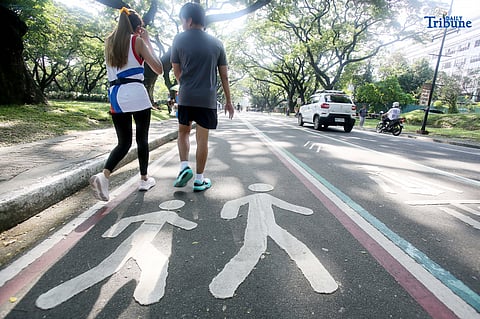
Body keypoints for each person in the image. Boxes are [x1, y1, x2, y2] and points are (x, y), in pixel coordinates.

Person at [89, 7, 164, 201]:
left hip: (116, 96)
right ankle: (144, 178)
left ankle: (104, 175)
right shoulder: (137, 41)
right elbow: (159, 68)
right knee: (141, 140)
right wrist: (147, 41)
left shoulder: (109, 43)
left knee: (124, 142)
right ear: (138, 27)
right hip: (136, 93)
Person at [170, 3, 234, 192]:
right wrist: (229, 102)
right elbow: (224, 76)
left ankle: (183, 167)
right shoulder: (217, 44)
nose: (182, 24)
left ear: (188, 20)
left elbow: (176, 70)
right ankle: (199, 179)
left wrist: (188, 84)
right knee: (202, 139)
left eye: (182, 20)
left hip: (187, 96)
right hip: (207, 99)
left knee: (183, 132)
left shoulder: (178, 40)